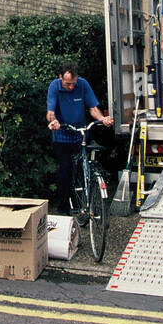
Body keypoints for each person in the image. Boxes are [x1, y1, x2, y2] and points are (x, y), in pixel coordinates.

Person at [45, 61, 113, 214]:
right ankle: (63, 208)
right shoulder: (54, 87)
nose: (71, 87)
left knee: (83, 169)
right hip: (62, 135)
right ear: (60, 77)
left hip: (80, 133)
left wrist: (102, 119)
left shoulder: (82, 84)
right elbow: (50, 112)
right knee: (65, 170)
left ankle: (82, 203)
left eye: (73, 83)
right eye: (68, 84)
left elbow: (93, 108)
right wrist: (54, 121)